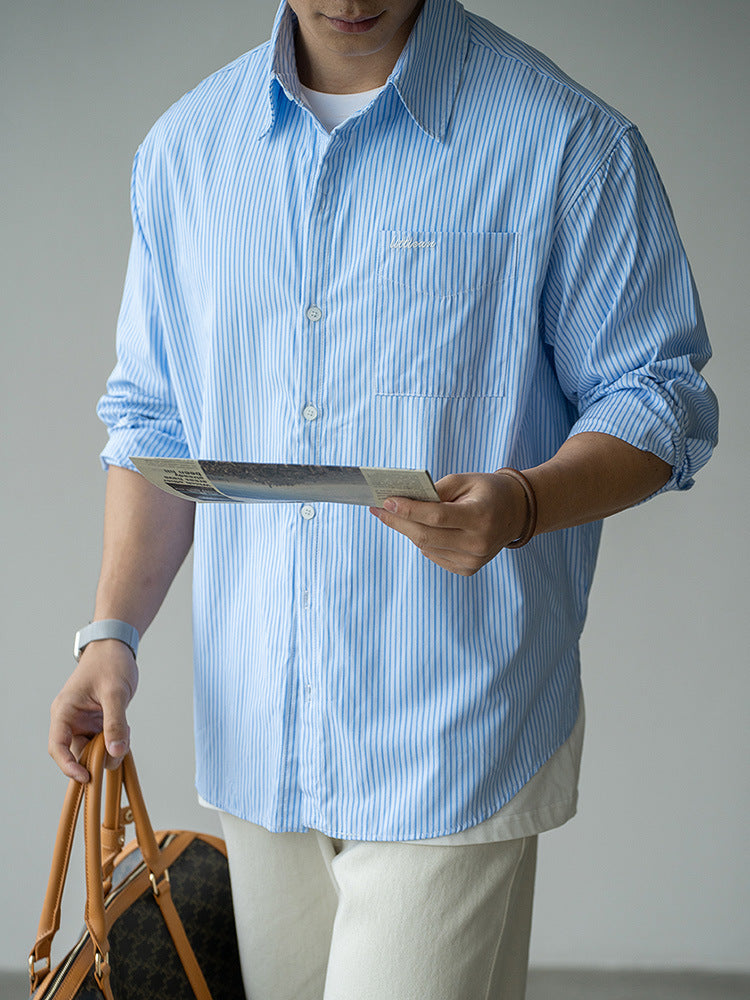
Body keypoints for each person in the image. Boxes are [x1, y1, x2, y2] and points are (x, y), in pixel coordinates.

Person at [48, 0, 718, 997]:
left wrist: (526, 501)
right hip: (262, 738)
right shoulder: (188, 153)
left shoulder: (567, 140)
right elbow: (153, 422)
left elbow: (659, 396)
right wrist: (112, 630)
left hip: (458, 724)